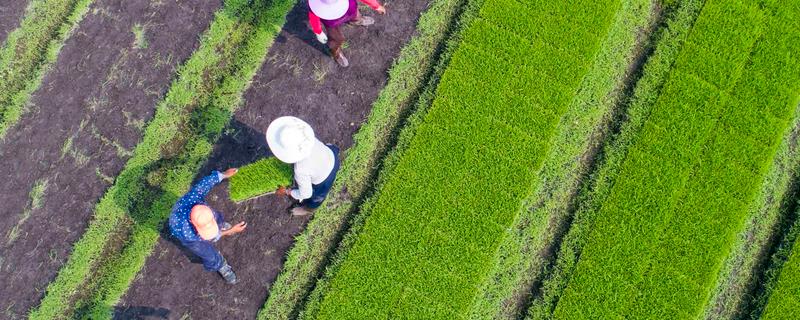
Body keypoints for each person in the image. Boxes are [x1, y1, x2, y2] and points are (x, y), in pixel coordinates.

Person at [168, 169, 247, 284]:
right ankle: (220, 265)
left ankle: (219, 224)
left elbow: (205, 183)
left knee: (216, 216)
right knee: (208, 255)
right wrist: (230, 230)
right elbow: (212, 237)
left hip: (192, 214)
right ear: (194, 224)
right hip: (189, 238)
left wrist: (223, 175)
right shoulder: (186, 231)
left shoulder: (194, 197)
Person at [266, 116, 340, 216]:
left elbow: (306, 193)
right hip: (332, 156)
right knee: (331, 148)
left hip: (324, 180)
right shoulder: (308, 137)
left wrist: (288, 191)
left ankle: (306, 210)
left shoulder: (300, 169)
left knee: (315, 199)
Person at [308, 0, 386, 67]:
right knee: (336, 39)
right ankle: (336, 53)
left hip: (350, 11)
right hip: (332, 24)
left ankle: (356, 21)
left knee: (356, 16)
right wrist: (318, 32)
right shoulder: (315, 6)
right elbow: (313, 18)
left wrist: (376, 6)